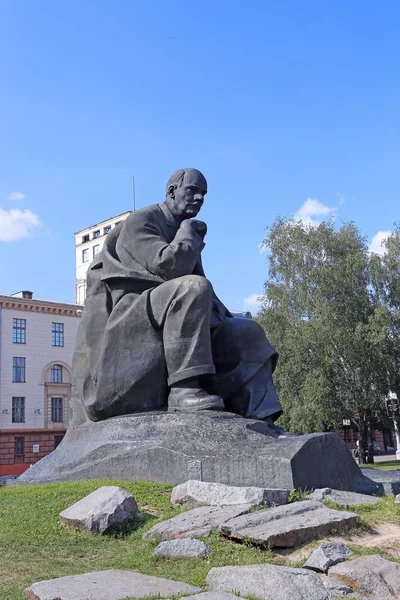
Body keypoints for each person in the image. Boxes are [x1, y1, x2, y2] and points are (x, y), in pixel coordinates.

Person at [72, 168, 283, 432]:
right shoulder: (143, 220)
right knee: (193, 287)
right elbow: (169, 266)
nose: (199, 199)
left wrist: (229, 318)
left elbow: (205, 291)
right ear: (172, 191)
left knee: (246, 329)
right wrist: (187, 232)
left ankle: (259, 416)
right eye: (192, 190)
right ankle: (183, 390)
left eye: (203, 194)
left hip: (168, 306)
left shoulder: (182, 230)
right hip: (129, 313)